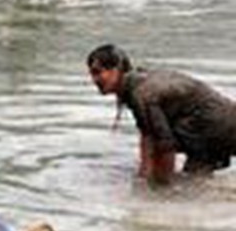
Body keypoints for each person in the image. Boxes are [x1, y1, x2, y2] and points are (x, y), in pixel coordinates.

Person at [88, 44, 236, 184]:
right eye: (91, 73)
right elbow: (147, 136)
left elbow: (165, 145)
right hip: (217, 125)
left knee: (184, 185)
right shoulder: (137, 84)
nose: (94, 80)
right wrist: (143, 176)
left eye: (98, 72)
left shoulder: (142, 93)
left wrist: (161, 188)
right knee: (195, 183)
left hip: (216, 128)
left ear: (116, 70)